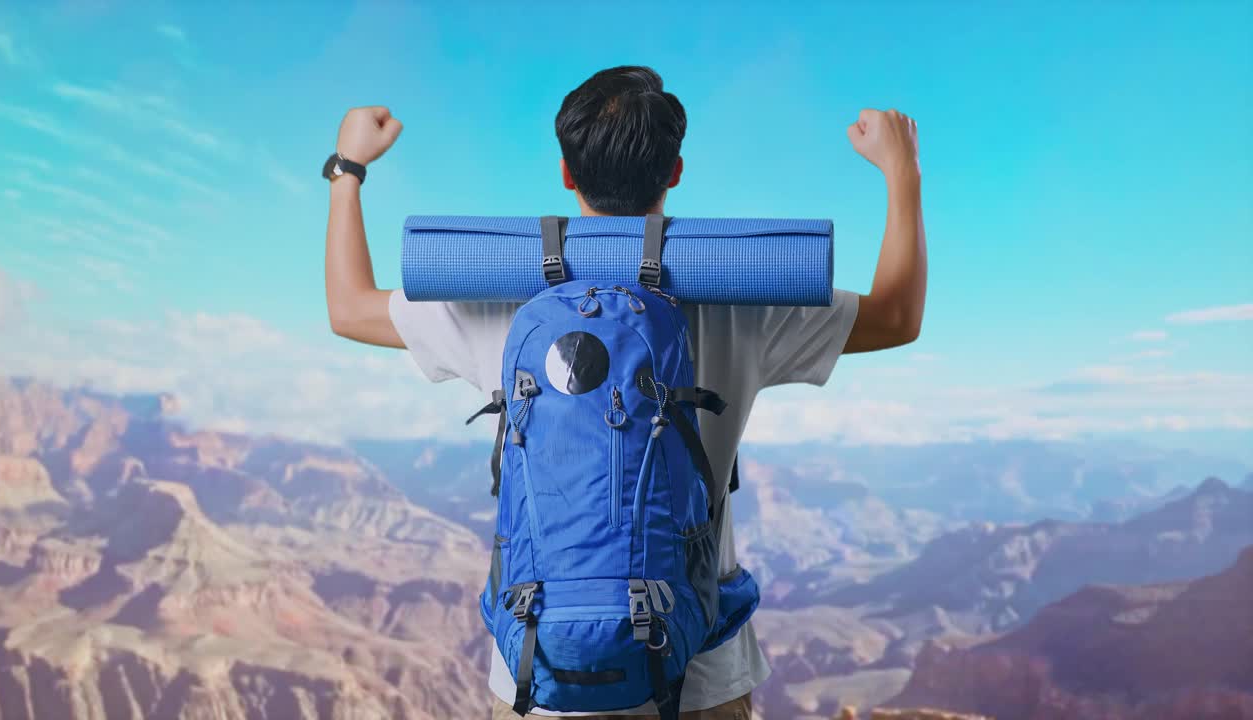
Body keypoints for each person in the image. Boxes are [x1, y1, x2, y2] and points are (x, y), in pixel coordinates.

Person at [323, 66, 926, 720]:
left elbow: (348, 308)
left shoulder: (496, 297)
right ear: (675, 172)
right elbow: (897, 316)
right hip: (697, 672)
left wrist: (348, 168)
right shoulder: (743, 297)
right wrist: (901, 171)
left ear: (566, 174)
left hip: (540, 664)